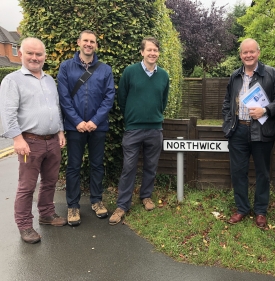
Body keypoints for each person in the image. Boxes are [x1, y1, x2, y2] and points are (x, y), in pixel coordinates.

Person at [0, 37, 67, 244]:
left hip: (52, 140)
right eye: (30, 53)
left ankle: (46, 214)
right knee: (27, 186)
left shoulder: (49, 80)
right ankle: (25, 225)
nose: (35, 57)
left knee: (50, 181)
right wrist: (17, 139)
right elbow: (8, 113)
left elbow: (56, 108)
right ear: (20, 54)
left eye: (39, 54)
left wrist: (61, 132)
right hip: (30, 143)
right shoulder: (12, 81)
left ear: (45, 56)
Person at [222, 38, 275, 228]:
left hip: (262, 131)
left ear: (258, 52)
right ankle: (241, 209)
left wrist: (265, 110)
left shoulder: (271, 74)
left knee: (263, 173)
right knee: (238, 172)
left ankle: (260, 211)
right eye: (244, 52)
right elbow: (227, 102)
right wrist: (228, 124)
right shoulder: (235, 76)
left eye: (252, 52)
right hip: (238, 130)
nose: (248, 55)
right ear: (240, 55)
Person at [109, 36, 169, 225]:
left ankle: (146, 196)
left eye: (155, 50)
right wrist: (131, 117)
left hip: (155, 129)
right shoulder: (130, 72)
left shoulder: (164, 75)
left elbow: (163, 100)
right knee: (129, 167)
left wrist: (155, 114)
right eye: (149, 50)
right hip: (133, 129)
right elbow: (122, 98)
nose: (153, 53)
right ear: (142, 52)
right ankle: (122, 205)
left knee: (151, 166)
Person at [57, 30, 115, 226]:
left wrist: (95, 121)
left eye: (92, 41)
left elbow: (109, 98)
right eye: (86, 41)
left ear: (96, 45)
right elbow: (64, 98)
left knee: (97, 165)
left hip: (97, 127)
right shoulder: (66, 67)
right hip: (75, 128)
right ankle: (73, 206)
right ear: (78, 43)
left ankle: (97, 201)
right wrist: (77, 122)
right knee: (74, 166)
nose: (89, 44)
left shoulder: (105, 69)